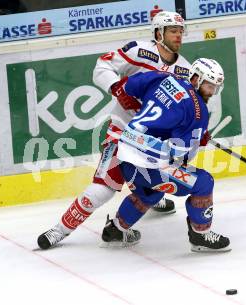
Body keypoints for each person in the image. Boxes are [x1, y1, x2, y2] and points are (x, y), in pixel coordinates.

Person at [37, 11, 191, 250]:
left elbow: (188, 107)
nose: (178, 36)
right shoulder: (139, 51)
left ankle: (146, 198)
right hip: (124, 133)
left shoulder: (184, 70)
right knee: (104, 188)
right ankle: (59, 230)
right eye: (173, 31)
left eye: (181, 32)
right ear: (159, 33)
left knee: (158, 185)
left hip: (154, 143)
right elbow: (102, 65)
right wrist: (117, 88)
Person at [101, 58, 231, 252]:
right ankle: (200, 235)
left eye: (215, 87)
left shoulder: (165, 77)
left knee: (152, 191)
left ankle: (116, 230)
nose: (212, 92)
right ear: (196, 78)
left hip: (124, 155)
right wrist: (196, 140)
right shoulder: (199, 112)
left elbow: (129, 87)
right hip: (148, 165)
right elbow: (180, 155)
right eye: (209, 85)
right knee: (203, 183)